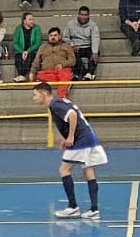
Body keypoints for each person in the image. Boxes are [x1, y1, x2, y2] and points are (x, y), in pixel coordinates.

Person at [33, 82, 107, 220]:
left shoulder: (54, 104)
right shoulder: (59, 102)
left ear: (44, 94)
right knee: (88, 169)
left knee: (64, 169)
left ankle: (72, 207)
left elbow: (72, 115)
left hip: (81, 138)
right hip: (88, 135)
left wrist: (71, 136)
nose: (34, 98)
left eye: (35, 95)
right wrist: (65, 139)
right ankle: (94, 209)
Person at [29, 27, 75, 99]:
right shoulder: (43, 47)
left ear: (59, 36)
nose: (53, 37)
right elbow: (36, 61)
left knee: (65, 75)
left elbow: (72, 60)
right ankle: (66, 82)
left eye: (55, 35)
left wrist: (63, 65)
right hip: (47, 72)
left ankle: (61, 98)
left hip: (61, 71)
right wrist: (32, 72)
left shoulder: (66, 46)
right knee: (39, 76)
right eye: (51, 35)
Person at [64, 6, 101, 81]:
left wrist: (95, 52)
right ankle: (86, 73)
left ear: (88, 15)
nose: (83, 17)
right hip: (76, 46)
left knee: (96, 53)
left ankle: (86, 73)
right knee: (71, 54)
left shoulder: (93, 25)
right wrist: (72, 46)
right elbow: (65, 38)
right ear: (78, 14)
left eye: (85, 15)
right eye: (81, 14)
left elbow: (95, 38)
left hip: (88, 46)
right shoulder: (70, 24)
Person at [12, 12, 42, 83]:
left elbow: (38, 43)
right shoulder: (18, 29)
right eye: (30, 19)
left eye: (32, 19)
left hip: (32, 51)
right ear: (24, 21)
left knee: (29, 57)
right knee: (18, 58)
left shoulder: (37, 28)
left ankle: (22, 75)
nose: (32, 21)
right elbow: (15, 43)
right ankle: (21, 75)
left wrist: (27, 51)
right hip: (20, 51)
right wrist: (22, 52)